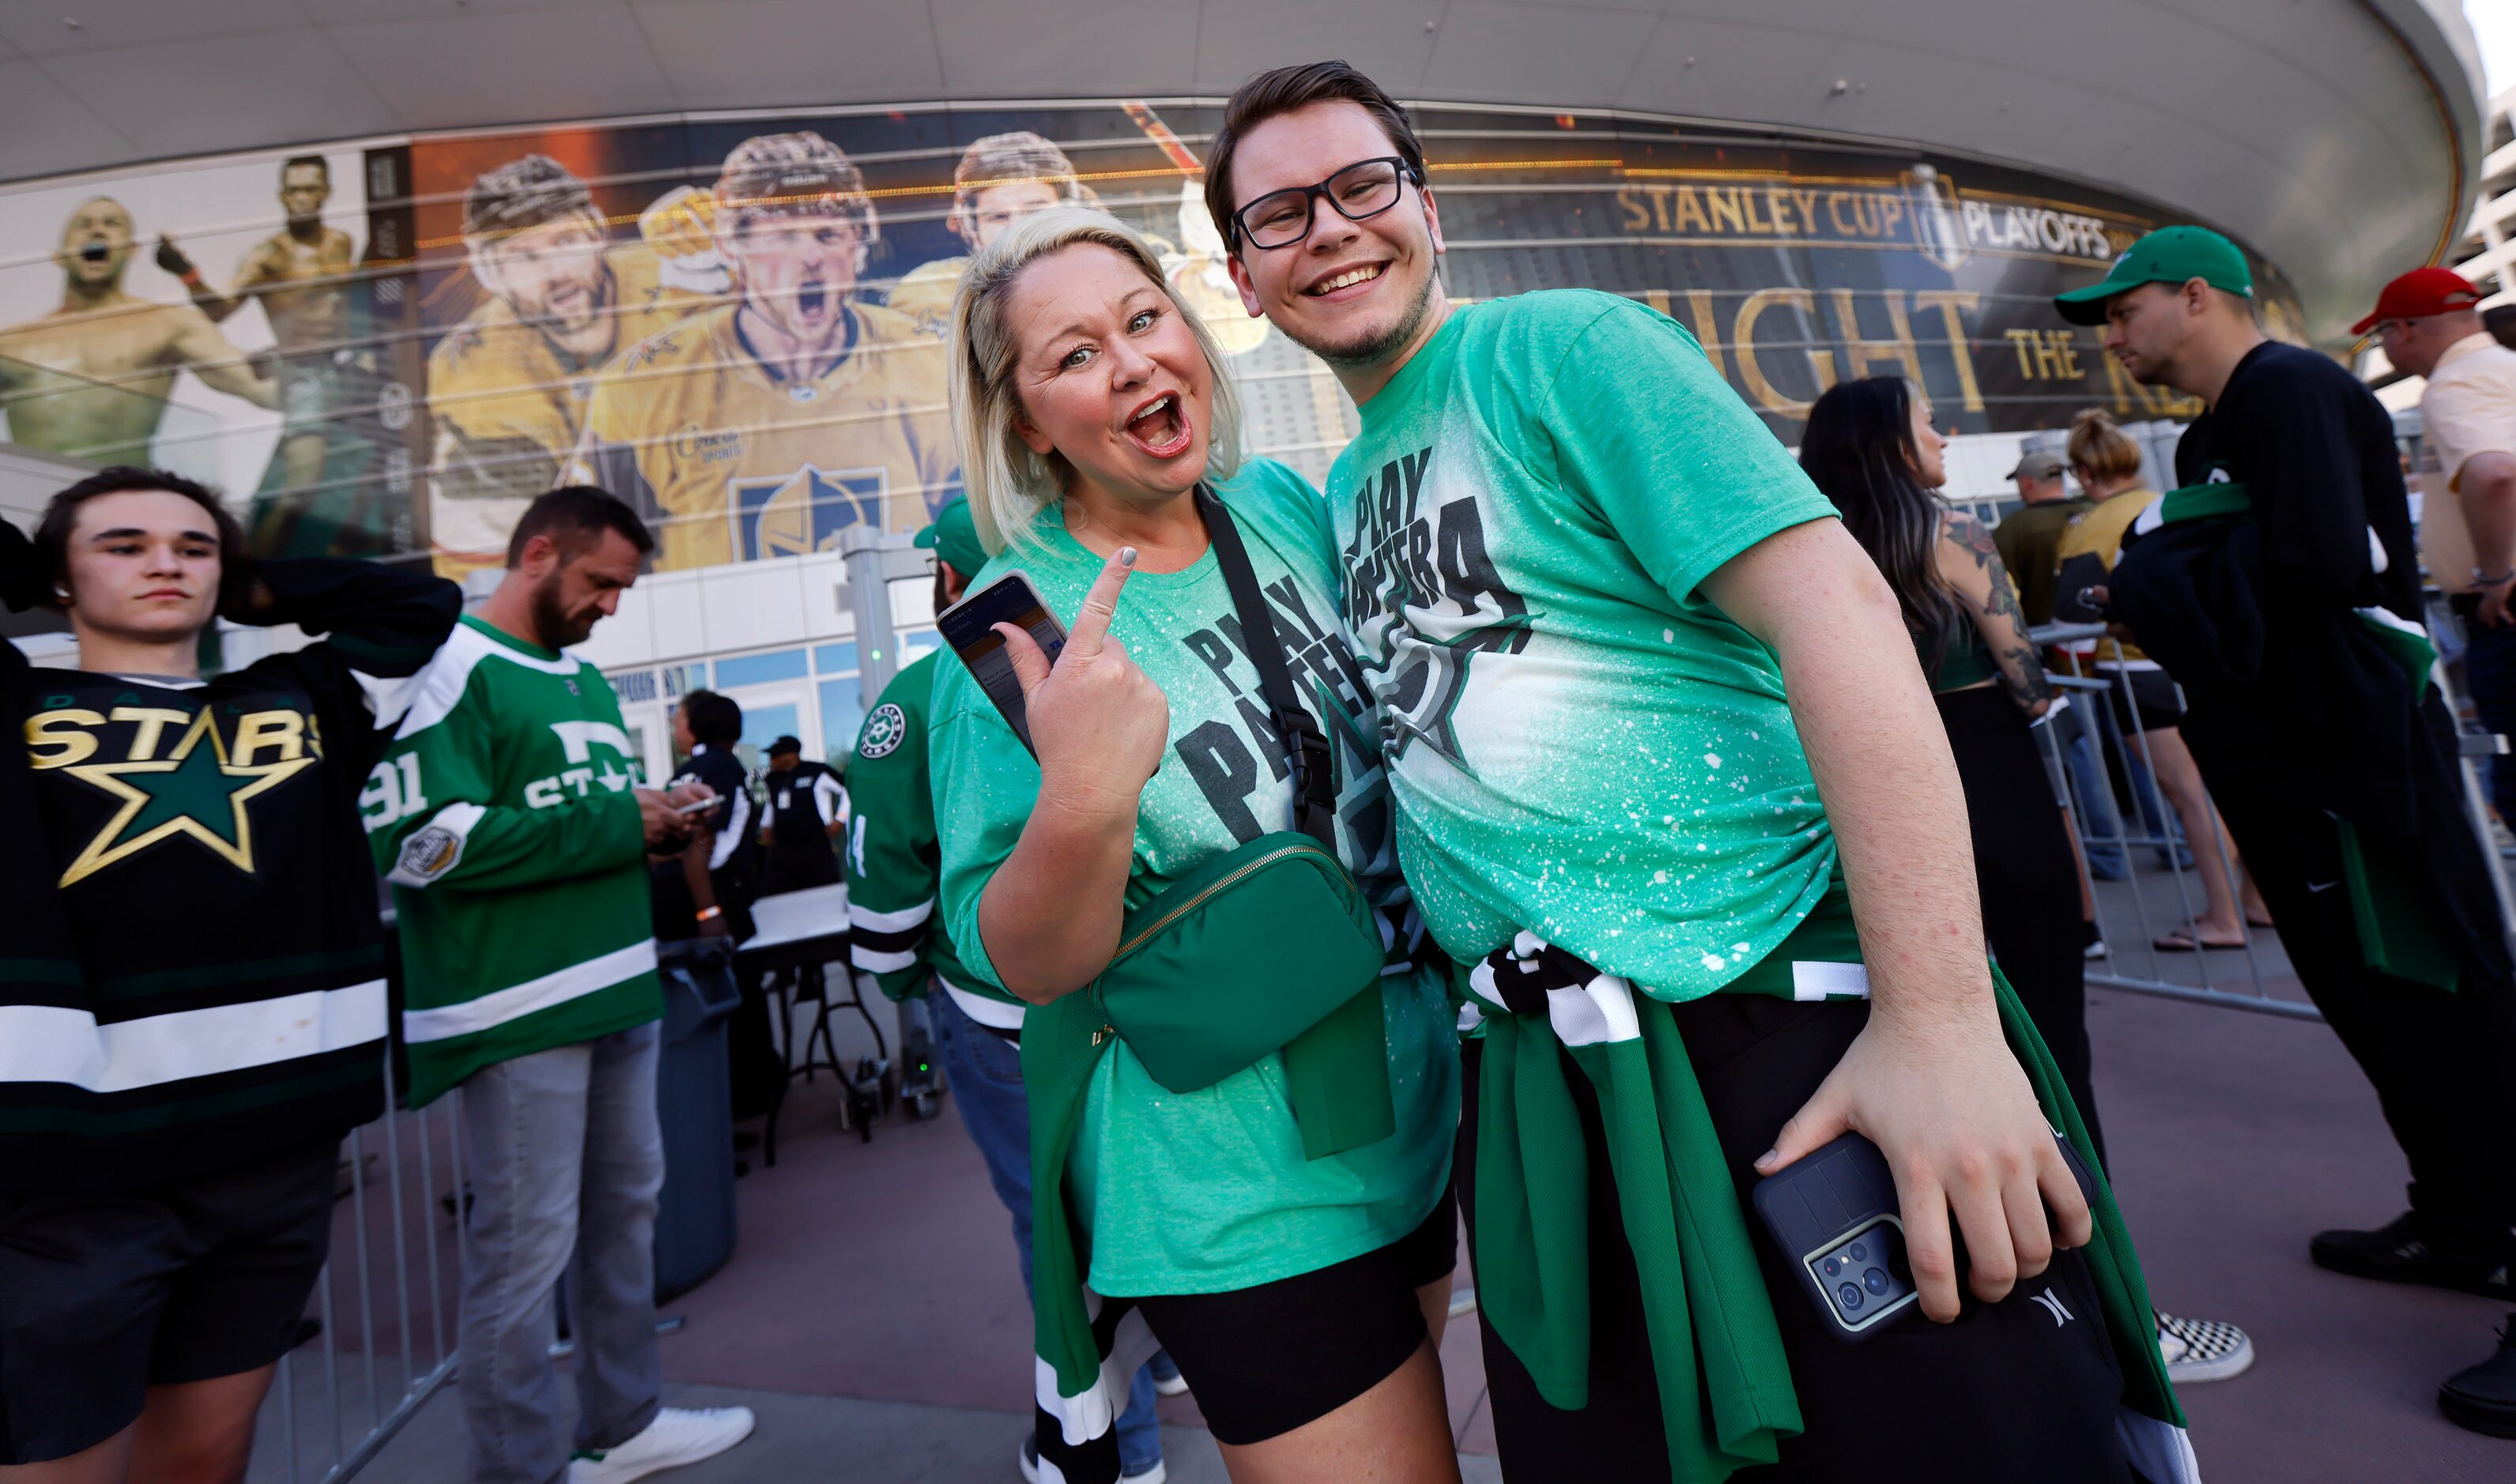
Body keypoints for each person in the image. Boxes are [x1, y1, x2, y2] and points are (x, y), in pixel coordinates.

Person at [1209, 60, 2191, 1482]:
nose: (1330, 229)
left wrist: (1939, 1021)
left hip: (1768, 1018)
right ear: (1240, 275)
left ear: (1425, 204)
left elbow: (1840, 612)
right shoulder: (1353, 480)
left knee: (1964, 1443)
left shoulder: (1561, 347)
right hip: (1560, 1078)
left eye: (1361, 186)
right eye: (1278, 214)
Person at [930, 207, 1462, 1484]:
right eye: (1070, 356)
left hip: (1409, 1108)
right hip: (1231, 1182)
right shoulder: (1019, 636)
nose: (1128, 365)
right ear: (1021, 419)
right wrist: (1083, 797)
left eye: (1141, 318)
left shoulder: (1277, 503)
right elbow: (1026, 964)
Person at [2058, 224, 2516, 1437]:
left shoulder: (2294, 392)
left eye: (2123, 310)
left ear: (2196, 294)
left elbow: (2314, 567)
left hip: (2355, 751)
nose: (2112, 337)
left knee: (2453, 997)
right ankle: (2463, 1222)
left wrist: (2156, 563)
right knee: (2374, 1000)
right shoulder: (2221, 427)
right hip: (2293, 755)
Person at [1, 466, 458, 1481]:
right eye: (123, 545)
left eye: (193, 546)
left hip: (277, 1157)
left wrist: (247, 583)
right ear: (59, 577)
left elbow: (418, 603)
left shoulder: (306, 700)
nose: (164, 560)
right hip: (78, 1180)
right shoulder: (16, 704)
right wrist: (32, 571)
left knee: (206, 1463)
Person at [1801, 377, 2256, 1386]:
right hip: (1990, 789)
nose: (1943, 435)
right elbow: (2029, 679)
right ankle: (2121, 1316)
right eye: (1927, 422)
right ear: (1890, 440)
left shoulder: (1813, 548)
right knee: (2053, 1049)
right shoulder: (1948, 533)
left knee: (1926, 1053)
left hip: (1874, 808)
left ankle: (1988, 1300)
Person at [367, 487, 756, 1483]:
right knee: (522, 1255)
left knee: (624, 1221)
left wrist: (657, 817)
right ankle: (520, 1468)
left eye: (623, 590)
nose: (612, 607)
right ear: (538, 552)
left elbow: (575, 817)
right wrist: (616, 826)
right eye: (600, 584)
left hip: (619, 987)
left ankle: (622, 1424)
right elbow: (414, 843)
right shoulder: (446, 662)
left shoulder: (579, 678)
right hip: (517, 1008)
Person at [847, 495, 1175, 1483]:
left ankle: (1115, 1450)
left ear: (955, 583)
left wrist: (908, 984)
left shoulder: (916, 694)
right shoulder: (1129, 657)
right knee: (1149, 1196)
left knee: (1060, 1230)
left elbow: (887, 896)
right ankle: (1164, 1373)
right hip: (1144, 999)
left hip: (1006, 1016)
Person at [568, 132, 960, 567]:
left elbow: (980, 530)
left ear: (857, 247)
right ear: (731, 248)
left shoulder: (930, 361)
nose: (811, 256)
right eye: (784, 236)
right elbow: (589, 552)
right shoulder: (642, 385)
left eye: (828, 235)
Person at [426, 156, 719, 579]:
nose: (558, 273)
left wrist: (715, 253)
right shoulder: (474, 365)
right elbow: (487, 561)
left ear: (598, 233)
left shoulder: (675, 274)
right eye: (525, 257)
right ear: (493, 275)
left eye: (566, 242)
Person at [2054, 407, 2264, 950]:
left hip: (2132, 670)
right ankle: (2255, 900)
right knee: (2221, 787)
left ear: (2083, 472)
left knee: (2189, 796)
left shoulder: (2083, 529)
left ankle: (2223, 915)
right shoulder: (2167, 507)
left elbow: (2073, 620)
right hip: (2197, 663)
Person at [2365, 268, 2516, 826]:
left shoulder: (2455, 383)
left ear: (2403, 329)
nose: (2382, 348)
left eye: (2379, 334)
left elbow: (2495, 474)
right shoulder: (2503, 368)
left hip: (2506, 613)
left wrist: (2496, 577)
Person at [0, 198, 276, 466]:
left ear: (132, 249)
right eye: (84, 225)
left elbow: (260, 387)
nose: (97, 230)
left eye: (112, 224)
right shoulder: (11, 345)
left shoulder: (170, 324)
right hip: (34, 502)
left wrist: (302, 374)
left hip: (128, 497)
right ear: (58, 256)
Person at [157, 156, 360, 502]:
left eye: (310, 189)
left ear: (326, 192)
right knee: (301, 489)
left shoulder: (341, 242)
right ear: (282, 195)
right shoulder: (266, 256)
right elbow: (221, 310)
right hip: (304, 376)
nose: (301, 198)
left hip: (348, 368)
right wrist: (186, 273)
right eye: (294, 190)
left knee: (365, 476)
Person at [886, 132, 1103, 336]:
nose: (1018, 229)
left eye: (1036, 211)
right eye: (998, 217)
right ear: (973, 230)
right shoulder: (928, 291)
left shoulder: (1108, 272)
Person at [651, 689, 760, 944]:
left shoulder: (684, 773)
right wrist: (708, 912)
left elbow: (657, 847)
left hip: (669, 900)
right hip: (709, 899)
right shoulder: (724, 766)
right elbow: (702, 840)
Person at [1994, 446, 2088, 627]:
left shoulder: (2013, 529)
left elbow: (2000, 591)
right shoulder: (2091, 515)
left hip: (2045, 637)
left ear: (2027, 482)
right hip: (2104, 636)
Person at [757, 734, 847, 895]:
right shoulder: (773, 779)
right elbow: (772, 804)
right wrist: (765, 825)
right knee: (780, 893)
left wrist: (839, 820)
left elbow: (848, 791)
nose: (772, 760)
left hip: (815, 845)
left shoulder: (817, 771)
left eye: (776, 755)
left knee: (823, 891)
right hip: (783, 847)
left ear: (792, 755)